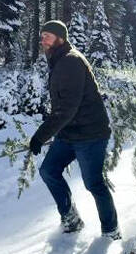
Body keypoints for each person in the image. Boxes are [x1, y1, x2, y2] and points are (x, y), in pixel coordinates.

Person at [29, 20, 121, 240]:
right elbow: (63, 107)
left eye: (48, 36)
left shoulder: (70, 61)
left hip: (90, 135)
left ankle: (111, 231)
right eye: (42, 36)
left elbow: (67, 109)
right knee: (49, 170)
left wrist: (40, 136)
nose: (43, 40)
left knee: (93, 183)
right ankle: (71, 218)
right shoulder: (58, 60)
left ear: (60, 38)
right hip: (70, 133)